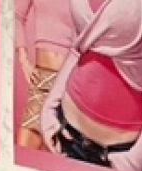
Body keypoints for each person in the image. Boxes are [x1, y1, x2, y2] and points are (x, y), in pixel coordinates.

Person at [39, 0, 142, 171]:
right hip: (65, 131)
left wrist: (137, 159)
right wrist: (49, 109)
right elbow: (78, 49)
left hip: (116, 155)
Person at [15, 0, 91, 150]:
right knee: (25, 149)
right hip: (44, 80)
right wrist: (23, 60)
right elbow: (16, 16)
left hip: (71, 85)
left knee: (63, 154)